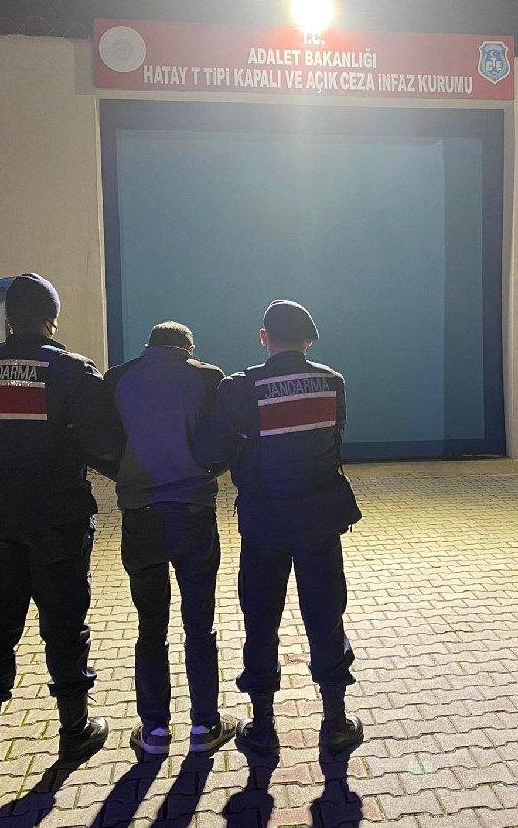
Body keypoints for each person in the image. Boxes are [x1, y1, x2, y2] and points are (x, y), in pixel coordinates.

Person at [0, 273, 124, 771]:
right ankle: (75, 732)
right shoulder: (71, 371)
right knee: (65, 625)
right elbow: (105, 443)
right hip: (57, 519)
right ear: (52, 319)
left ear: (9, 318)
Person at [195, 300, 364, 759]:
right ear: (307, 340)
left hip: (264, 522)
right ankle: (335, 722)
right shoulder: (332, 382)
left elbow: (210, 450)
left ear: (264, 337)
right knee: (325, 615)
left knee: (261, 617)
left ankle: (263, 723)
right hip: (319, 521)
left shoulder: (240, 387)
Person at [105, 321, 238, 757]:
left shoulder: (118, 378)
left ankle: (155, 731)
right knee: (199, 623)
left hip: (140, 515)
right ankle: (205, 726)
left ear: (149, 346)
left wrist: (127, 476)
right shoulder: (208, 378)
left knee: (150, 626)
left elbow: (104, 443)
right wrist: (207, 472)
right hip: (192, 511)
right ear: (188, 348)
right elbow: (222, 442)